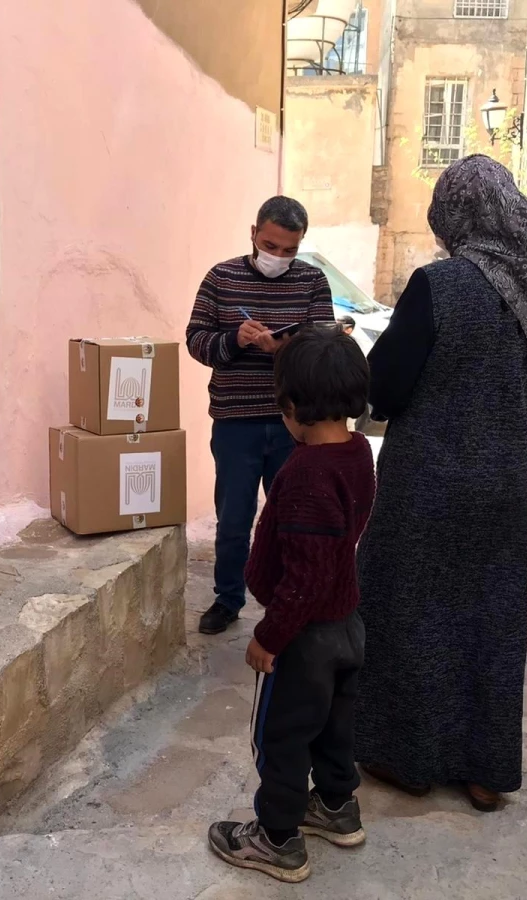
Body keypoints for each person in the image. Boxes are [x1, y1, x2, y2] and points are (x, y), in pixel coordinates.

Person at [354, 155, 527, 812]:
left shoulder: (439, 284)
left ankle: (411, 760)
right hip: (504, 480)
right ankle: (485, 772)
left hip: (428, 478)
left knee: (409, 609)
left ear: (457, 215)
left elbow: (386, 387)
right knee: (492, 618)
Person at [207, 326, 375, 883]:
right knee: (333, 727)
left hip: (306, 637)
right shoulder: (357, 454)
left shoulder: (305, 472)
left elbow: (304, 576)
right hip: (347, 624)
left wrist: (269, 637)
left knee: (281, 736)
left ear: (292, 406)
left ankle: (277, 838)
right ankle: (335, 806)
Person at [185, 197, 335, 636]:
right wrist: (234, 339)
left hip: (295, 424)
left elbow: (324, 348)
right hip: (235, 422)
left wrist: (283, 349)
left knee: (293, 520)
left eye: (290, 250)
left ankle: (290, 604)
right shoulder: (221, 277)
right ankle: (227, 599)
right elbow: (196, 341)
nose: (279, 257)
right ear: (253, 233)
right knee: (234, 519)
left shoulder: (312, 281)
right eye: (271, 245)